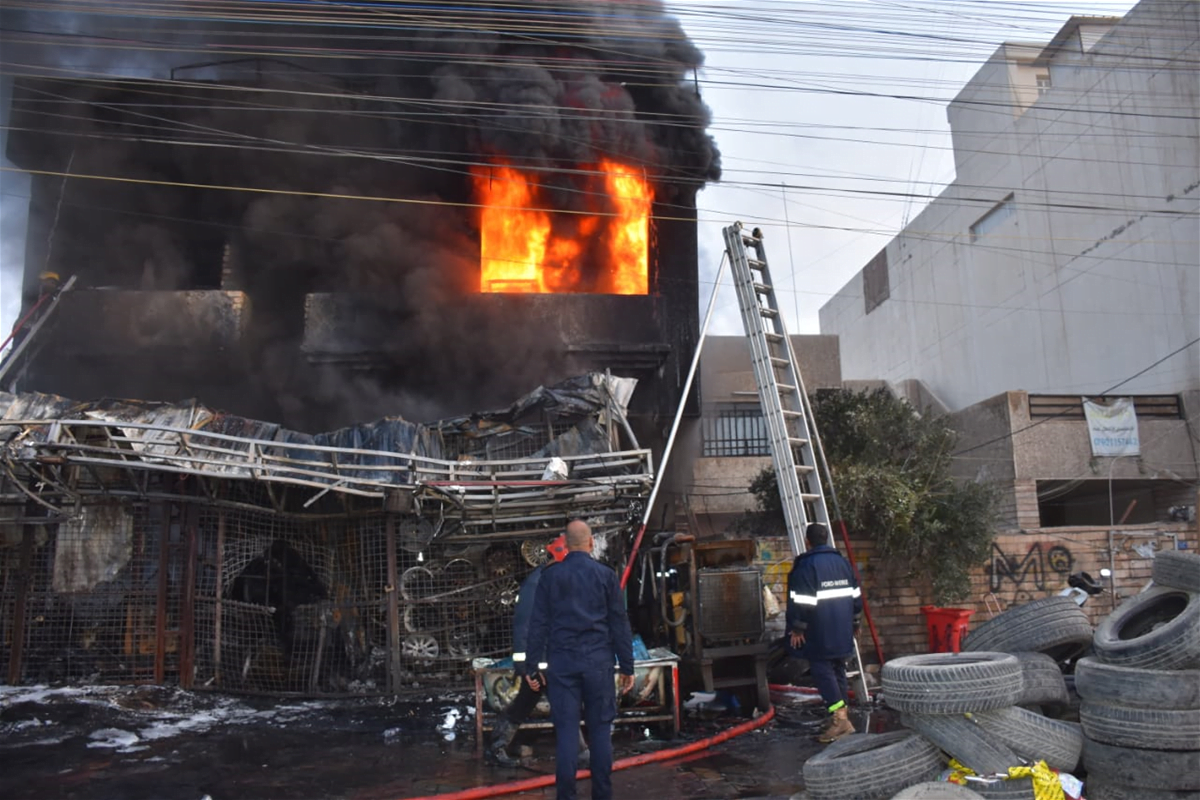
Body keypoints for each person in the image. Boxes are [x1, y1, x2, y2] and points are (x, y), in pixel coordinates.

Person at [525, 519, 634, 800]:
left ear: (565, 545)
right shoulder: (606, 575)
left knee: (566, 735)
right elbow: (619, 623)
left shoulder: (550, 577)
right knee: (599, 733)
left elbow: (537, 624)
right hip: (598, 664)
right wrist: (627, 666)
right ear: (590, 544)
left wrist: (532, 666)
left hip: (563, 666)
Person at [487, 533, 587, 766]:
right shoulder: (536, 585)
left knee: (524, 704)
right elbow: (523, 628)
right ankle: (582, 754)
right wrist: (525, 668)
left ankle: (497, 747)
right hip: (542, 663)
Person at [786, 522, 862, 743]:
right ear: (826, 539)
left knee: (822, 671)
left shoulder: (806, 565)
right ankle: (841, 717)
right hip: (843, 629)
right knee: (838, 668)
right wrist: (855, 621)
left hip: (820, 630)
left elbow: (802, 600)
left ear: (807, 541)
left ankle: (840, 719)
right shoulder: (842, 563)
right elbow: (855, 595)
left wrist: (798, 628)